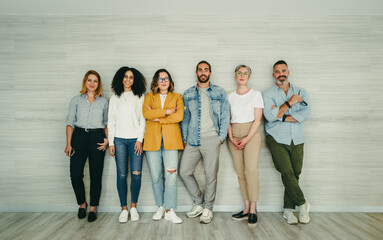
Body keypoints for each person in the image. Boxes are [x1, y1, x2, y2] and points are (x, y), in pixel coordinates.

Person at [179, 60, 230, 224]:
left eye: (206, 70)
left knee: (210, 175)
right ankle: (199, 204)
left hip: (212, 139)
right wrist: (185, 138)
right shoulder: (188, 93)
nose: (203, 72)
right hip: (193, 140)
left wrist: (221, 137)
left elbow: (225, 115)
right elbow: (185, 119)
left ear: (210, 73)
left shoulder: (219, 92)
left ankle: (208, 208)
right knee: (184, 171)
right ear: (196, 73)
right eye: (200, 70)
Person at [263, 60, 311, 225]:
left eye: (283, 70)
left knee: (295, 173)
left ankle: (288, 209)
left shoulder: (301, 91)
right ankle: (303, 204)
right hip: (276, 138)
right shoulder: (268, 94)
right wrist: (290, 103)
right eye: (277, 71)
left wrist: (280, 114)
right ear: (273, 75)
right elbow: (269, 117)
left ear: (288, 72)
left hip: (297, 137)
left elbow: (306, 114)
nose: (280, 74)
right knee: (286, 171)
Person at [65, 70, 109, 222]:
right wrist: (69, 143)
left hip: (97, 137)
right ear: (85, 82)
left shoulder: (104, 101)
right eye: (89, 80)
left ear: (98, 84)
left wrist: (107, 139)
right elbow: (70, 123)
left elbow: (107, 123)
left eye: (95, 81)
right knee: (75, 174)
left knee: (96, 174)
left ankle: (93, 208)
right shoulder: (76, 100)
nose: (92, 83)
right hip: (79, 137)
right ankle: (82, 204)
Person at [142, 69, 184, 224]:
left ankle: (170, 210)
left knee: (171, 177)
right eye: (160, 79)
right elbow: (146, 115)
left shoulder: (177, 97)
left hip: (171, 142)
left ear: (170, 81)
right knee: (156, 177)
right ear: (156, 82)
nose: (164, 81)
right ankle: (160, 206)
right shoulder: (149, 97)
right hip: (152, 142)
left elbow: (178, 116)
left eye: (166, 79)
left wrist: (157, 117)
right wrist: (166, 112)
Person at [107, 66, 146, 223]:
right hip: (119, 140)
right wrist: (111, 142)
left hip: (135, 140)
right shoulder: (114, 97)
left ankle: (133, 207)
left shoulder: (139, 96)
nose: (128, 79)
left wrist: (139, 140)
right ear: (120, 78)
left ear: (134, 80)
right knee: (122, 175)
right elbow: (111, 120)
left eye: (131, 77)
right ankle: (124, 209)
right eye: (125, 76)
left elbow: (142, 120)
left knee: (136, 174)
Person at [227, 65, 264, 226]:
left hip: (251, 134)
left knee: (251, 170)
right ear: (235, 76)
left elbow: (258, 119)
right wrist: (231, 137)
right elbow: (226, 119)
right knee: (240, 173)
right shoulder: (229, 96)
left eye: (245, 73)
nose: (242, 76)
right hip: (233, 134)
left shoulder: (256, 94)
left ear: (249, 76)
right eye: (239, 73)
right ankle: (246, 208)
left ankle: (254, 209)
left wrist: (247, 139)